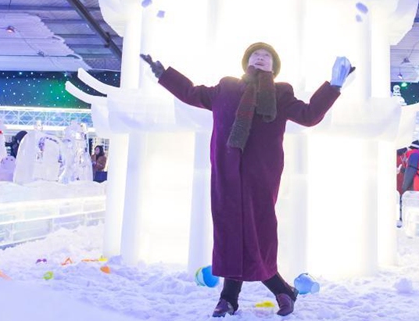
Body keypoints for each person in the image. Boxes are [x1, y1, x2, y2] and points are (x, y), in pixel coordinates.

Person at [141, 42, 352, 318]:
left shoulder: (281, 92)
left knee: (258, 233)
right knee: (229, 230)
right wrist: (163, 74)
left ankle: (270, 291)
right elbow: (191, 93)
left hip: (261, 176)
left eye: (266, 56)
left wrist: (334, 85)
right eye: (256, 54)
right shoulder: (225, 88)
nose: (261, 58)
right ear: (246, 62)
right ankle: (239, 296)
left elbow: (309, 115)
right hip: (226, 172)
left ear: (274, 66)